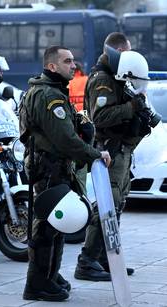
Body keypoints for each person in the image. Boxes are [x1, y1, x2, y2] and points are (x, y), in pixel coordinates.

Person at [19, 45, 111, 301]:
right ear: (52, 66)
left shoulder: (53, 91)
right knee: (48, 226)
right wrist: (95, 154)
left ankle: (50, 274)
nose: (74, 65)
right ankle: (37, 283)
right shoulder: (49, 96)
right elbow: (65, 140)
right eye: (67, 61)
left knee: (58, 223)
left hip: (55, 166)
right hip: (49, 167)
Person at [75, 32, 139, 281]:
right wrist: (131, 107)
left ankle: (106, 257)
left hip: (120, 151)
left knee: (117, 206)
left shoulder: (117, 77)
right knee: (106, 206)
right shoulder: (102, 79)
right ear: (119, 51)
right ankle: (87, 261)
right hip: (109, 151)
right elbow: (100, 118)